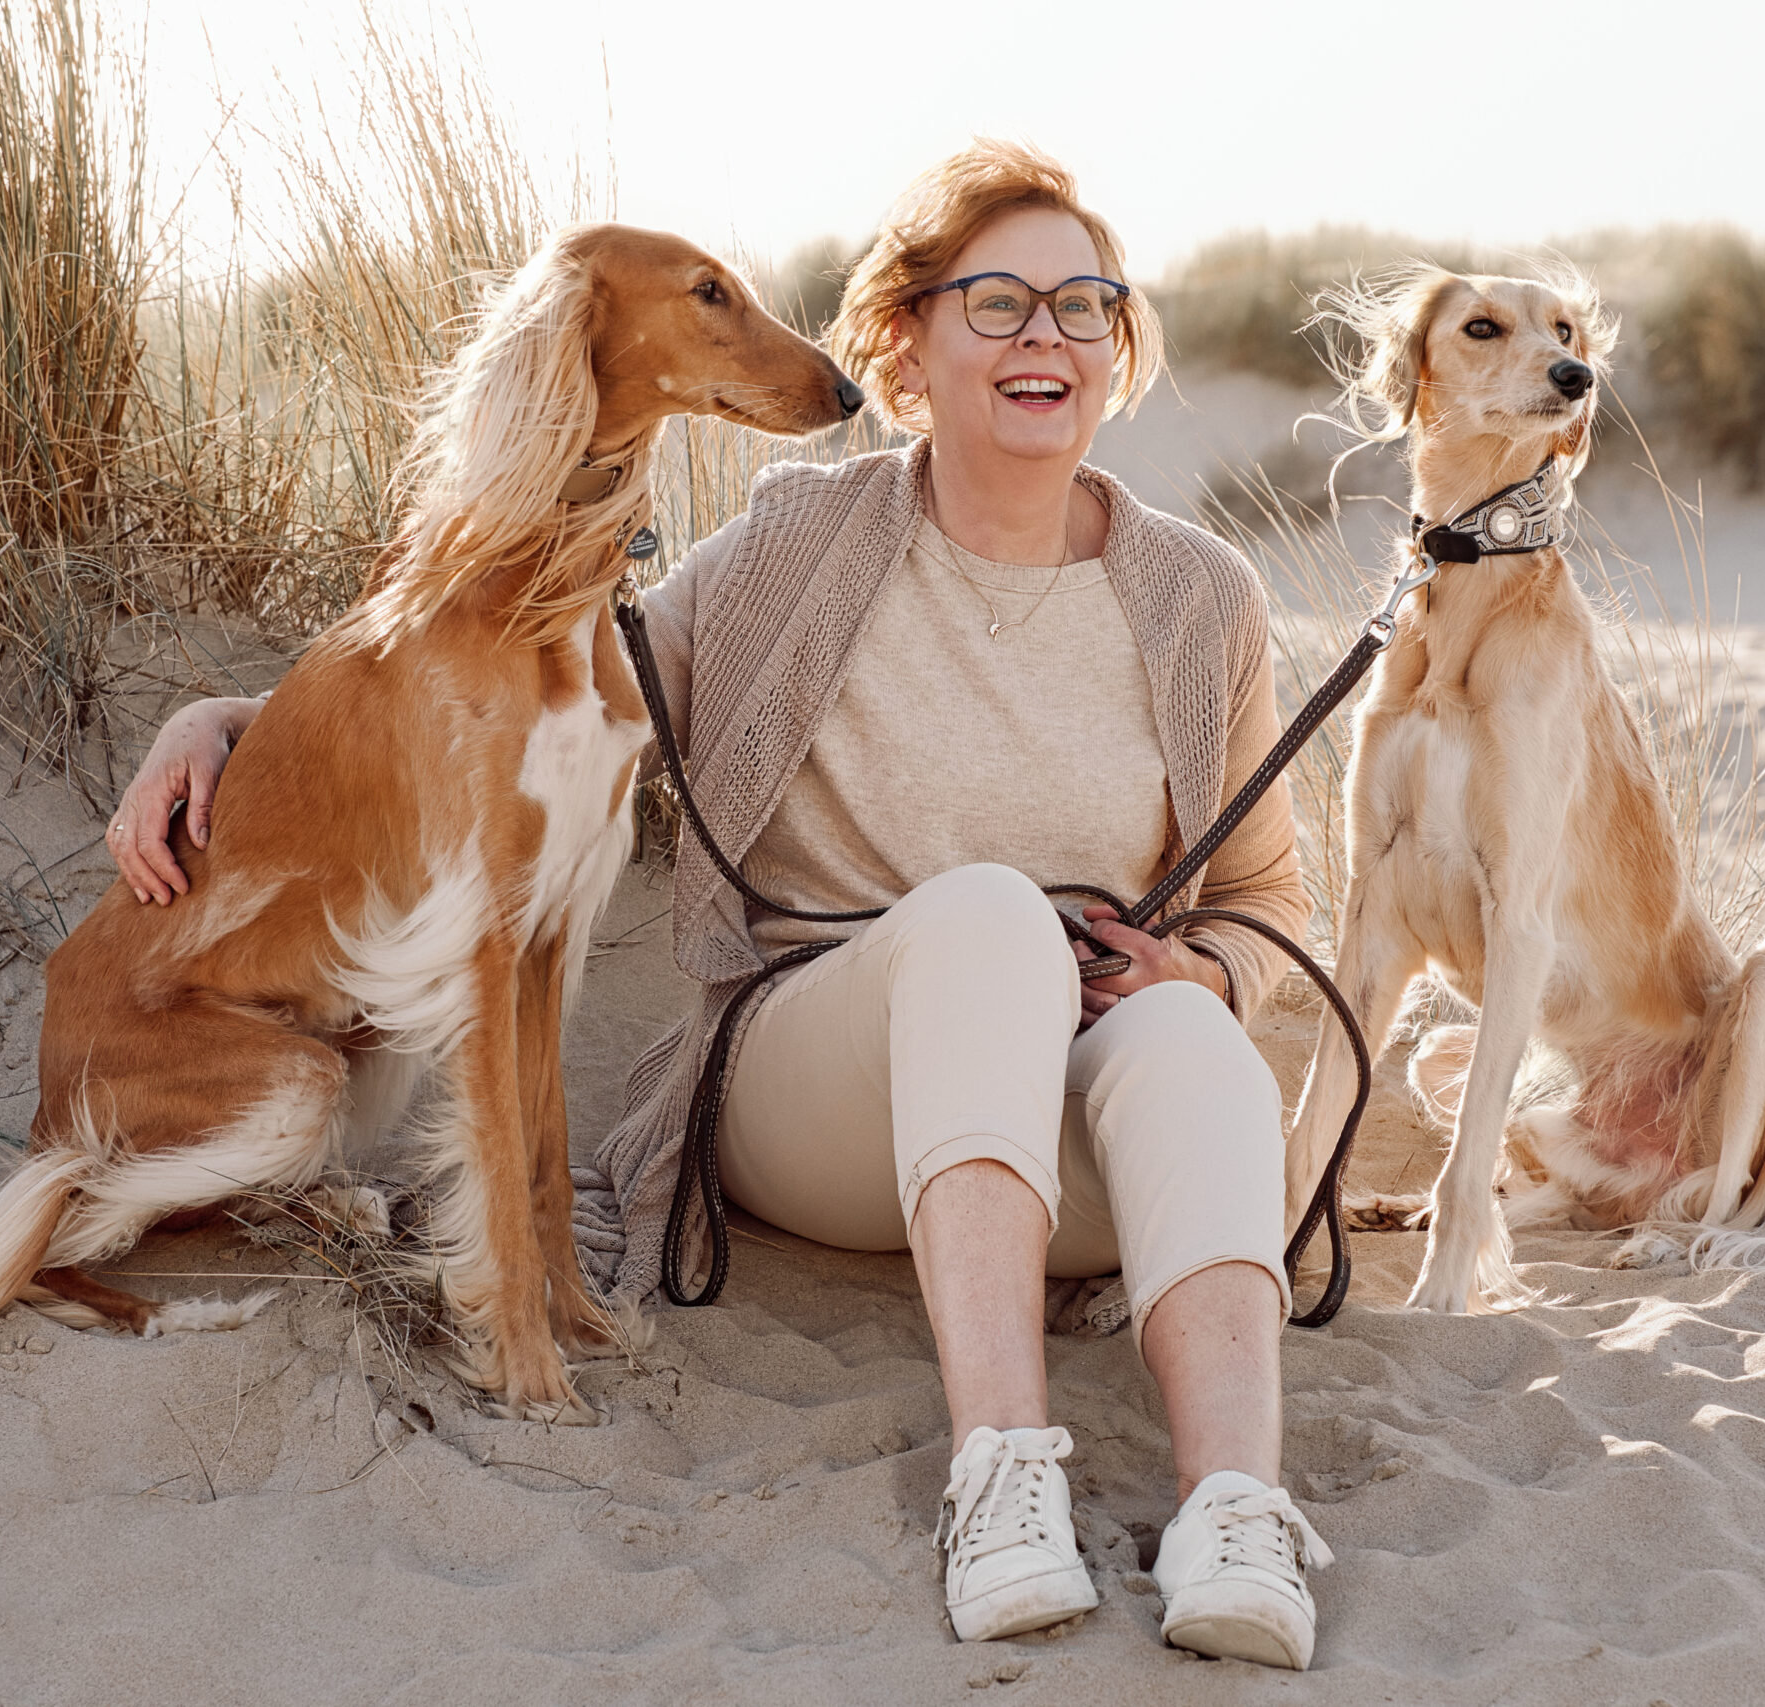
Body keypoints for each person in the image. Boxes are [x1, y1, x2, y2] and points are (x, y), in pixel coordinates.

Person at [108, 140, 1333, 1669]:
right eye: (1003, 302)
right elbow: (502, 691)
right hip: (825, 1097)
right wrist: (230, 719)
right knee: (985, 920)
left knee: (1203, 1049)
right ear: (906, 341)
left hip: (1068, 1132)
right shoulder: (797, 545)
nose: (1050, 339)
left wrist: (1203, 976)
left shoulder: (1202, 592)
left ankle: (1238, 1507)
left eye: (1088, 305)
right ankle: (1002, 1475)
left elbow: (1274, 904)